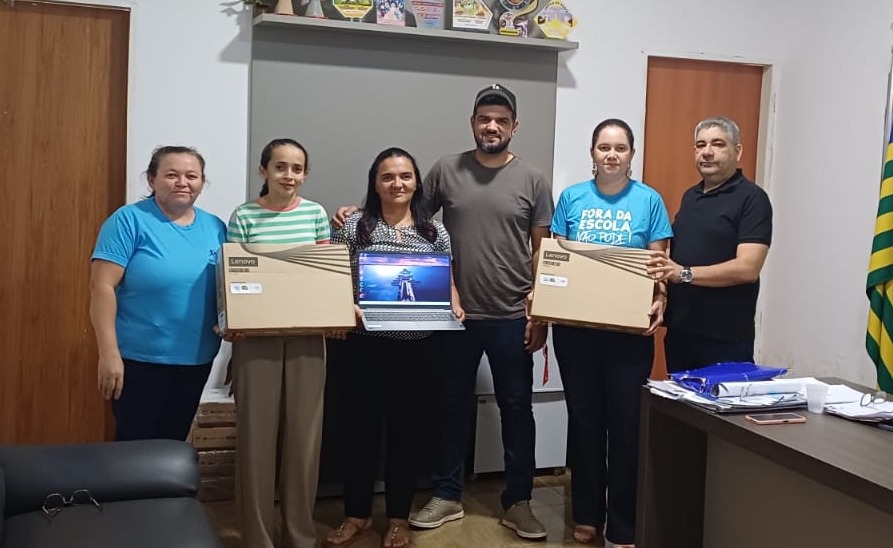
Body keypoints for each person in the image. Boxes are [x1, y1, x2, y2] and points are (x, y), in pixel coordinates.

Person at [335, 84, 554, 539]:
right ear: (472, 122)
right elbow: (406, 212)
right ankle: (448, 494)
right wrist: (357, 211)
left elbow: (542, 250)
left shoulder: (533, 178)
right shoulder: (445, 170)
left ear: (514, 126)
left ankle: (519, 501)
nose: (491, 126)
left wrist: (542, 310)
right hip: (454, 317)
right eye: (484, 118)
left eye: (501, 120)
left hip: (513, 313)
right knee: (450, 406)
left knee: (517, 408)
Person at [324, 147, 461, 548]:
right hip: (362, 347)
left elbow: (447, 281)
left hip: (418, 351)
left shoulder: (435, 232)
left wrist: (454, 302)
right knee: (358, 434)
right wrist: (344, 306)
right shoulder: (353, 226)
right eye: (387, 177)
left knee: (406, 436)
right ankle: (357, 515)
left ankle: (398, 518)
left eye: (405, 176)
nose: (397, 184)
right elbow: (334, 277)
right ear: (375, 183)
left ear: (416, 182)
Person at [550, 119, 671, 548]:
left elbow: (659, 263)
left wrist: (661, 297)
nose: (612, 155)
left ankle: (623, 523)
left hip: (629, 332)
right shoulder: (572, 198)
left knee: (625, 425)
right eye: (604, 147)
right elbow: (556, 258)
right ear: (593, 153)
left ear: (631, 154)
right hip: (576, 331)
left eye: (620, 148)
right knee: (584, 422)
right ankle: (587, 514)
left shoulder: (649, 200)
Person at [227, 138, 331, 548]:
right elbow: (233, 277)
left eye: (297, 168)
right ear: (264, 170)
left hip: (308, 336)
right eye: (280, 167)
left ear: (305, 173)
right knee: (256, 439)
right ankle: (257, 537)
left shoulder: (315, 214)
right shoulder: (244, 215)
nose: (289, 175)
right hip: (256, 338)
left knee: (304, 440)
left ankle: (299, 535)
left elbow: (325, 274)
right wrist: (232, 319)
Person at [90, 146, 226, 441]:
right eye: (172, 175)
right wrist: (108, 354)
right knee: (135, 449)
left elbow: (227, 288)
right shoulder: (128, 221)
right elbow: (102, 288)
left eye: (192, 176)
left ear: (202, 182)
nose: (182, 183)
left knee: (172, 447)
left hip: (196, 360)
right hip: (140, 362)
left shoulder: (216, 227)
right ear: (152, 180)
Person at [647, 116, 773, 373]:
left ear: (737, 151)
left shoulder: (753, 199)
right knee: (678, 401)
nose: (707, 152)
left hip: (725, 339)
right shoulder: (690, 197)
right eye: (700, 145)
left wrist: (684, 273)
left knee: (721, 400)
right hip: (681, 334)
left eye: (717, 144)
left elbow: (748, 268)